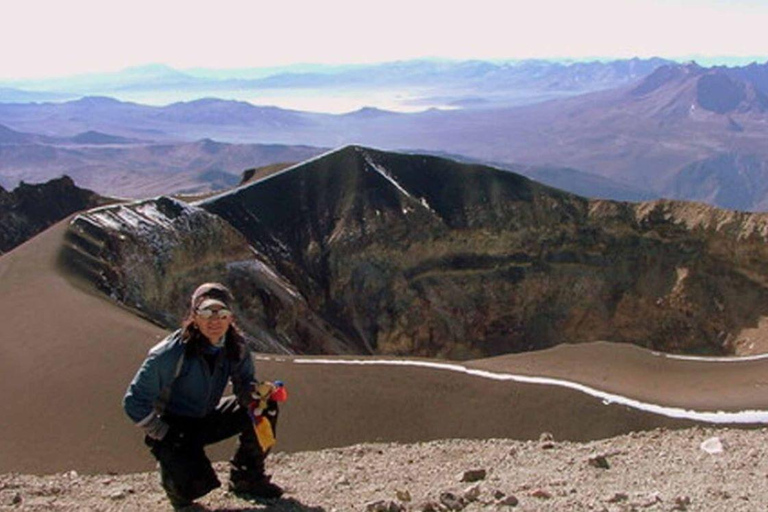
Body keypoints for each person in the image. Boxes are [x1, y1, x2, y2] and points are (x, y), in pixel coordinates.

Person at [123, 282, 283, 510]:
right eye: (207, 312)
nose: (214, 321)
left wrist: (253, 394)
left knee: (265, 406)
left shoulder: (235, 346)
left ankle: (247, 477)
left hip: (207, 416)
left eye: (222, 313)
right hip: (175, 427)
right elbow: (134, 401)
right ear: (194, 316)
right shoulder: (171, 353)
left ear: (230, 318)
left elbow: (243, 381)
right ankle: (175, 478)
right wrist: (162, 433)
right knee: (190, 488)